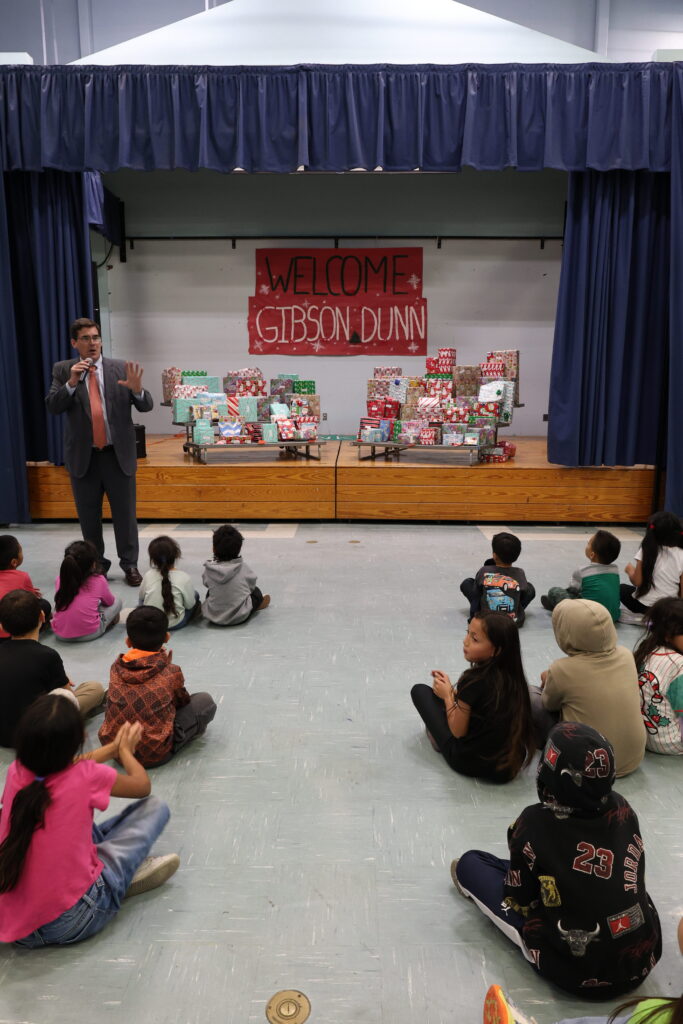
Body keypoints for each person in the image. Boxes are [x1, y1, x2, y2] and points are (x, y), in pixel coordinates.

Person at [453, 723, 662, 999]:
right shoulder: (623, 808)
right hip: (642, 959)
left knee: (470, 864)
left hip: (573, 973)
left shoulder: (533, 821)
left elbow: (519, 898)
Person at [0, 693, 180, 947]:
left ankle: (109, 869)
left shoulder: (16, 771)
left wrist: (110, 749)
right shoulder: (86, 776)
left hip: (14, 927)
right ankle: (118, 879)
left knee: (76, 825)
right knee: (155, 809)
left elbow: (59, 764)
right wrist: (125, 752)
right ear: (81, 739)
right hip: (73, 919)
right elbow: (142, 786)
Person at [45, 317, 153, 587]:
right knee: (89, 518)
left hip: (118, 456)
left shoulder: (120, 368)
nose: (92, 343)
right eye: (85, 338)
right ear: (74, 343)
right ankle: (96, 566)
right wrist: (71, 382)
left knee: (125, 516)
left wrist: (138, 391)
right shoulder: (63, 370)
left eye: (95, 337)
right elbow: (53, 406)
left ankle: (130, 565)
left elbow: (146, 405)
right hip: (85, 458)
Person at [410, 611, 535, 783]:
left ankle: (438, 740)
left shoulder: (473, 680)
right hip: (507, 769)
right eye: (467, 633)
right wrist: (453, 693)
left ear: (496, 650)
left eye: (475, 639)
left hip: (470, 763)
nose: (465, 641)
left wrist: (447, 696)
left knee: (420, 692)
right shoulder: (515, 679)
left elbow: (458, 731)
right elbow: (484, 707)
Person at [530, 599, 644, 776]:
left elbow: (549, 705)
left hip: (587, 766)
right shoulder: (626, 655)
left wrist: (549, 679)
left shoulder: (562, 669)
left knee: (530, 696)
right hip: (631, 760)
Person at [99, 606, 216, 768]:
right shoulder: (171, 671)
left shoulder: (116, 667)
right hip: (155, 754)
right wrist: (167, 668)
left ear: (128, 641)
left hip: (115, 749)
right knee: (204, 700)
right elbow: (182, 702)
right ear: (167, 637)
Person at [0, 590, 105, 745]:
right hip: (36, 734)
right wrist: (60, 679)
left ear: (2, 626)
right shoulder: (47, 655)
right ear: (42, 616)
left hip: (3, 735)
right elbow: (67, 698)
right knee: (94, 688)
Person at [633, 597, 683, 755]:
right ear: (668, 635)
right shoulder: (679, 664)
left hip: (646, 737)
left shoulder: (646, 651)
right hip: (673, 742)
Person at [540, 529, 622, 623]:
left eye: (588, 543)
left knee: (555, 591)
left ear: (592, 555)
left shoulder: (582, 571)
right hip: (612, 616)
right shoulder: (615, 570)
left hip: (587, 619)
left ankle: (557, 605)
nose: (587, 544)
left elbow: (573, 589)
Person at [52, 540, 123, 643]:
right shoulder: (98, 580)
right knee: (117, 602)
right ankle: (106, 624)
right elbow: (109, 602)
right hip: (90, 634)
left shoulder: (60, 579)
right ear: (93, 564)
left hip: (60, 634)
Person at [459, 532, 535, 626]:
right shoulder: (520, 573)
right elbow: (524, 593)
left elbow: (476, 592)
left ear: (494, 555)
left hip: (485, 621)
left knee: (467, 583)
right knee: (530, 588)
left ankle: (476, 614)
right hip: (513, 622)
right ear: (516, 556)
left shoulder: (484, 571)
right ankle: (515, 611)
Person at [620, 511, 683, 625]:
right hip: (668, 609)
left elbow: (637, 582)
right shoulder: (681, 553)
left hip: (643, 606)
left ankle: (644, 617)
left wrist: (630, 570)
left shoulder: (646, 550)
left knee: (621, 588)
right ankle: (660, 619)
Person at [202, 524, 271, 626]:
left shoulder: (209, 569)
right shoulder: (243, 568)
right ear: (239, 549)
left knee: (211, 592)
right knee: (256, 592)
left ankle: (219, 605)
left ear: (213, 549)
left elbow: (206, 583)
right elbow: (251, 586)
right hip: (239, 616)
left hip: (213, 617)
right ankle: (254, 605)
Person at [139, 535, 200, 631]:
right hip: (175, 623)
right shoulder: (184, 577)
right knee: (195, 595)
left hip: (151, 622)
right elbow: (189, 605)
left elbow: (142, 597)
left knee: (142, 600)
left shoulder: (148, 575)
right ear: (176, 555)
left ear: (152, 559)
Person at [0, 535, 51, 639]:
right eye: (20, 551)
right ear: (14, 562)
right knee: (44, 605)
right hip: (10, 632)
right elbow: (32, 603)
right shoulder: (22, 576)